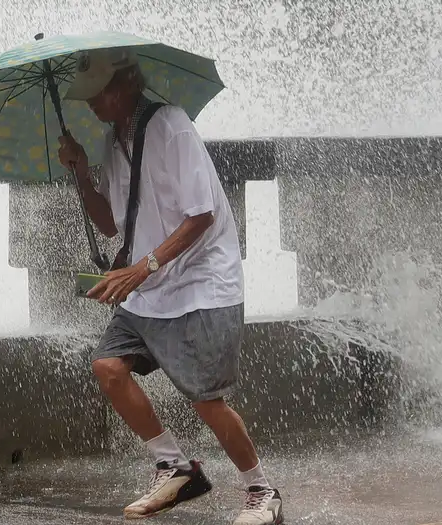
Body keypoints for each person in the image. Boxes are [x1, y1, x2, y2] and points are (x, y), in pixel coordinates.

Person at [56, 46, 285, 525]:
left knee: (205, 398)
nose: (91, 104)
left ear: (124, 86)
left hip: (202, 282)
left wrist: (142, 268)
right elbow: (110, 226)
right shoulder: (109, 142)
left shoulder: (171, 126)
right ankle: (176, 467)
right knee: (108, 367)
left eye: (97, 94)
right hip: (152, 287)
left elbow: (200, 214)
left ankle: (262, 490)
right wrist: (80, 173)